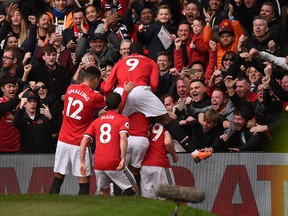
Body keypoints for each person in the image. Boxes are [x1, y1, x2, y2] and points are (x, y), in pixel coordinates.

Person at [104, 41, 210, 161]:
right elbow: (154, 85)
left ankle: (108, 155)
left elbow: (107, 88)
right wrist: (148, 101)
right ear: (144, 52)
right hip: (141, 91)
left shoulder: (119, 63)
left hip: (121, 91)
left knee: (110, 121)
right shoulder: (150, 61)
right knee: (168, 121)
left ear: (129, 52)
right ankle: (195, 153)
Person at [49, 66, 106, 195]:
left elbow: (74, 82)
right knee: (83, 178)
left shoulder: (70, 89)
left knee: (58, 176)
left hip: (63, 139)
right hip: (80, 142)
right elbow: (109, 108)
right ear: (96, 80)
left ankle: (50, 204)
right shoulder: (95, 96)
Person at [80, 92, 137, 196]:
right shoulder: (122, 119)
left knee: (104, 192)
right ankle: (119, 210)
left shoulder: (97, 121)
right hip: (114, 162)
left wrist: (82, 162)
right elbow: (123, 137)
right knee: (132, 188)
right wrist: (123, 158)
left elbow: (84, 141)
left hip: (98, 163)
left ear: (107, 105)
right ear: (120, 105)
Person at [140, 121, 179, 198]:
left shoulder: (145, 125)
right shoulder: (166, 125)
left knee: (148, 201)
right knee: (169, 197)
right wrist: (174, 155)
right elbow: (167, 142)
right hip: (160, 164)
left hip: (144, 166)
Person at [0, 75, 27, 153]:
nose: (12, 89)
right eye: (9, 86)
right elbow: (5, 107)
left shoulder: (21, 103)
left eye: (14, 86)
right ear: (2, 89)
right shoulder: (1, 102)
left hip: (18, 148)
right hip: (1, 148)